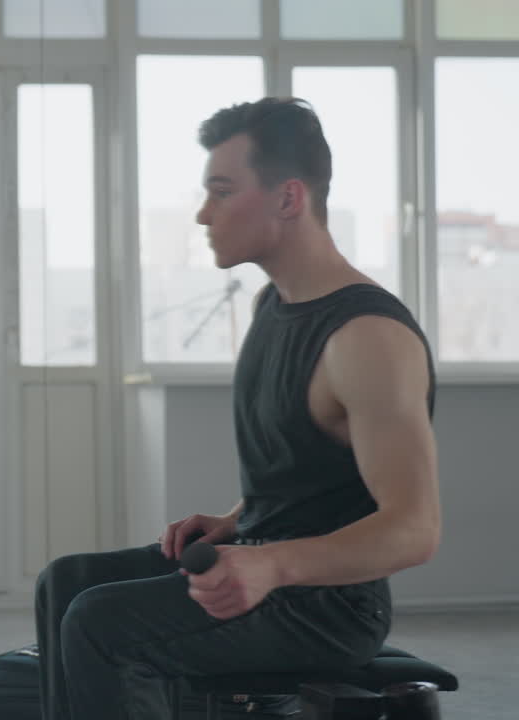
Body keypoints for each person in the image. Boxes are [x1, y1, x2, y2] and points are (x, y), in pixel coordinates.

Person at [35, 97, 440, 719]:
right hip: (264, 554)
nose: (203, 213)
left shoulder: (367, 337)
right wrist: (237, 518)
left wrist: (272, 561)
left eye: (222, 191)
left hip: (329, 607)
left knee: (99, 623)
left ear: (288, 199)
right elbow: (310, 472)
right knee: (66, 583)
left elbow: (414, 529)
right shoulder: (271, 307)